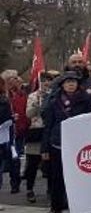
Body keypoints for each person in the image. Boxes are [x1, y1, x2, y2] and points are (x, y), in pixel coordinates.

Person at [41, 71, 91, 213]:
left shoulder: (86, 100)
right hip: (57, 143)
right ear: (62, 85)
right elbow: (48, 125)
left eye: (74, 82)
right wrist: (44, 148)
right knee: (57, 177)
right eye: (68, 82)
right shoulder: (53, 101)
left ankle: (78, 205)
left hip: (78, 144)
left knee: (79, 177)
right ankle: (56, 206)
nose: (71, 84)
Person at [24, 72, 54, 204]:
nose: (46, 83)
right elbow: (29, 114)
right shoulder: (32, 96)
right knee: (32, 164)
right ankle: (29, 189)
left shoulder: (54, 95)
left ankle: (50, 190)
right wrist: (37, 103)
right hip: (35, 131)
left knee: (49, 164)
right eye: (43, 81)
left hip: (48, 132)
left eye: (48, 81)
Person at [5, 74, 28, 194]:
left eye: (16, 79)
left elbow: (25, 112)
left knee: (15, 158)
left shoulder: (23, 95)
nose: (15, 81)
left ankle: (15, 183)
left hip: (18, 132)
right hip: (4, 132)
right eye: (11, 79)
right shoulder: (4, 97)